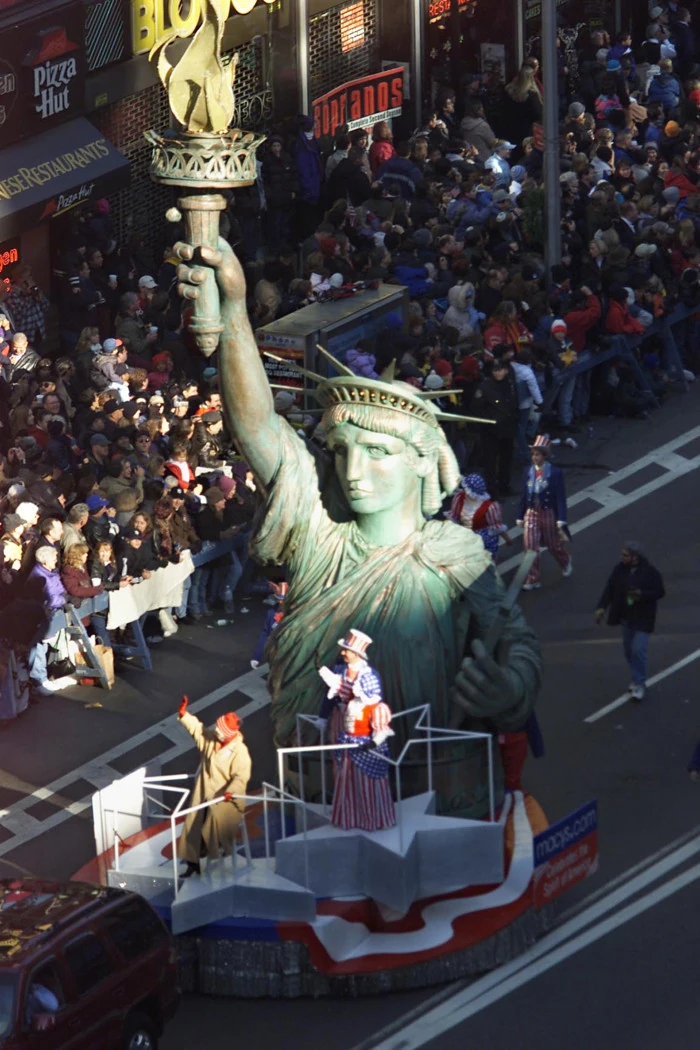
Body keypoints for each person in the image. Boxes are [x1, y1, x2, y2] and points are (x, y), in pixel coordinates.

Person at [175, 237, 542, 758]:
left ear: (422, 460)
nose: (353, 470)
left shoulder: (453, 558)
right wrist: (235, 308)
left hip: (431, 789)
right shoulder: (318, 531)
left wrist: (508, 690)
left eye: (376, 450)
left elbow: (518, 644)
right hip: (315, 786)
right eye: (342, 450)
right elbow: (256, 426)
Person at [317, 629, 395, 831]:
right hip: (342, 728)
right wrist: (323, 717)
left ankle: (371, 818)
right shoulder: (340, 670)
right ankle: (348, 816)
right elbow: (333, 694)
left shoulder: (371, 684)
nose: (343, 653)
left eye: (347, 650)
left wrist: (373, 742)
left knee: (367, 780)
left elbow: (378, 720)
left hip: (363, 738)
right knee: (343, 773)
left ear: (357, 654)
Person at [176, 695, 252, 877]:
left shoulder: (240, 753)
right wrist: (184, 715)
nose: (216, 730)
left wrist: (230, 792)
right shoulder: (211, 740)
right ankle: (192, 863)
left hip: (224, 799)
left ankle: (212, 849)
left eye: (219, 729)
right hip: (203, 792)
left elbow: (241, 777)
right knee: (192, 826)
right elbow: (198, 730)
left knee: (213, 826)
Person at [594, 541, 665, 700]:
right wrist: (601, 607)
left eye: (625, 555)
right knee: (629, 651)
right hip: (626, 617)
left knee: (638, 649)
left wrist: (641, 594)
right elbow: (610, 589)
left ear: (635, 557)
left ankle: (639, 683)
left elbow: (660, 592)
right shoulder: (619, 570)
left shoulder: (650, 572)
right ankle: (635, 677)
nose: (622, 557)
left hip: (643, 618)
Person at [517, 435, 572, 590]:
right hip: (531, 511)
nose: (534, 457)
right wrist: (520, 515)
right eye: (533, 454)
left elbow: (560, 497)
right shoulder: (528, 471)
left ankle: (565, 560)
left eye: (538, 454)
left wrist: (561, 518)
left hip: (548, 512)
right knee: (530, 545)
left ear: (545, 456)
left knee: (553, 544)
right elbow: (523, 494)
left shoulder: (555, 472)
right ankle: (533, 578)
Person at [449, 474, 511, 559]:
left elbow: (497, 527)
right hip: (465, 537)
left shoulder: (489, 507)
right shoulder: (459, 498)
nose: (466, 493)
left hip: (483, 541)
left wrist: (507, 539)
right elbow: (454, 518)